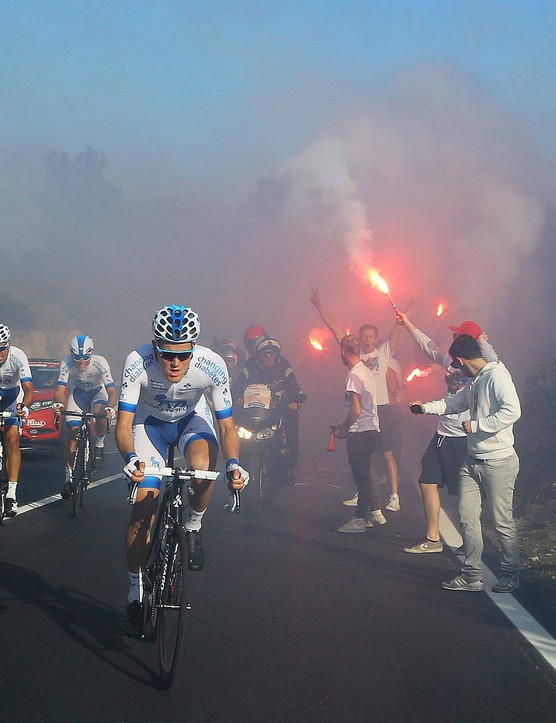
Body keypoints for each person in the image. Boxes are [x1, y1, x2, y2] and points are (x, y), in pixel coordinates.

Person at [116, 305, 248, 636]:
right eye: (167, 354)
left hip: (192, 420)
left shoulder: (212, 365)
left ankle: (192, 525)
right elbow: (124, 424)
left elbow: (228, 428)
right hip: (150, 426)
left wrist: (234, 464)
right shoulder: (137, 363)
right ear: (154, 346)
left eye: (184, 355)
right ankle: (135, 592)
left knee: (203, 469)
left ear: (194, 349)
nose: (175, 363)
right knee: (144, 501)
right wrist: (130, 457)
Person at [410, 334, 521, 593]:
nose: (453, 368)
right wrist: (425, 408)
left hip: (498, 461)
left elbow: (513, 410)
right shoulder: (476, 380)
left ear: (460, 359)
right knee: (467, 517)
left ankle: (510, 572)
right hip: (471, 461)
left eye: (455, 363)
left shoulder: (496, 376)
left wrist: (478, 426)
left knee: (502, 520)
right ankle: (472, 575)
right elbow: (454, 402)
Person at [398, 314, 498, 554]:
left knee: (464, 493)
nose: (452, 339)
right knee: (427, 480)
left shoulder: (485, 369)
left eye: (457, 335)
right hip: (443, 433)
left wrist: (483, 340)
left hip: (464, 438)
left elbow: (494, 361)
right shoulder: (451, 360)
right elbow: (428, 346)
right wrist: (408, 323)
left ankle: (472, 541)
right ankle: (433, 539)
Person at [310, 287, 403, 510]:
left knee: (386, 452)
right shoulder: (353, 353)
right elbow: (334, 329)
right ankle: (364, 492)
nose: (367, 340)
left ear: (376, 338)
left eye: (371, 336)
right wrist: (318, 305)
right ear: (359, 339)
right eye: (364, 337)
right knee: (364, 456)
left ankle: (394, 496)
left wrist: (408, 307)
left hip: (381, 408)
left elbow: (398, 327)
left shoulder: (383, 352)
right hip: (363, 408)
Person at [53, 335, 118, 498]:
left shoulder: (100, 363)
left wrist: (110, 407)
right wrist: (58, 404)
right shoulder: (66, 363)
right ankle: (68, 479)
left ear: (91, 354)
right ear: (71, 355)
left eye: (85, 357)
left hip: (97, 393)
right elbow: (60, 390)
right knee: (72, 437)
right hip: (78, 395)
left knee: (100, 414)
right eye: (77, 358)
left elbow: (111, 391)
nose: (81, 362)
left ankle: (100, 444)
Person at [335, 335, 387, 533]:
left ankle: (358, 520)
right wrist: (343, 425)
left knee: (362, 477)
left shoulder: (354, 375)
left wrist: (345, 428)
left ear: (343, 351)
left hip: (361, 432)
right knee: (366, 473)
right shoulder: (365, 370)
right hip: (370, 428)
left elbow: (356, 410)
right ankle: (376, 513)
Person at [233, 336, 305, 474]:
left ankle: (290, 457)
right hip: (253, 409)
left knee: (292, 420)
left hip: (278, 408)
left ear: (277, 355)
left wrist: (296, 399)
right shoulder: (250, 365)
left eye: (272, 354)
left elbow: (293, 385)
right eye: (265, 354)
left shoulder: (284, 365)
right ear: (259, 356)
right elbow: (238, 386)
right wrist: (230, 399)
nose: (269, 358)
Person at [0, 324, 33, 517]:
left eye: (1, 348)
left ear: (8, 345)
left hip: (14, 396)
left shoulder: (18, 356)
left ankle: (11, 493)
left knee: (12, 440)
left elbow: (28, 389)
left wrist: (24, 406)